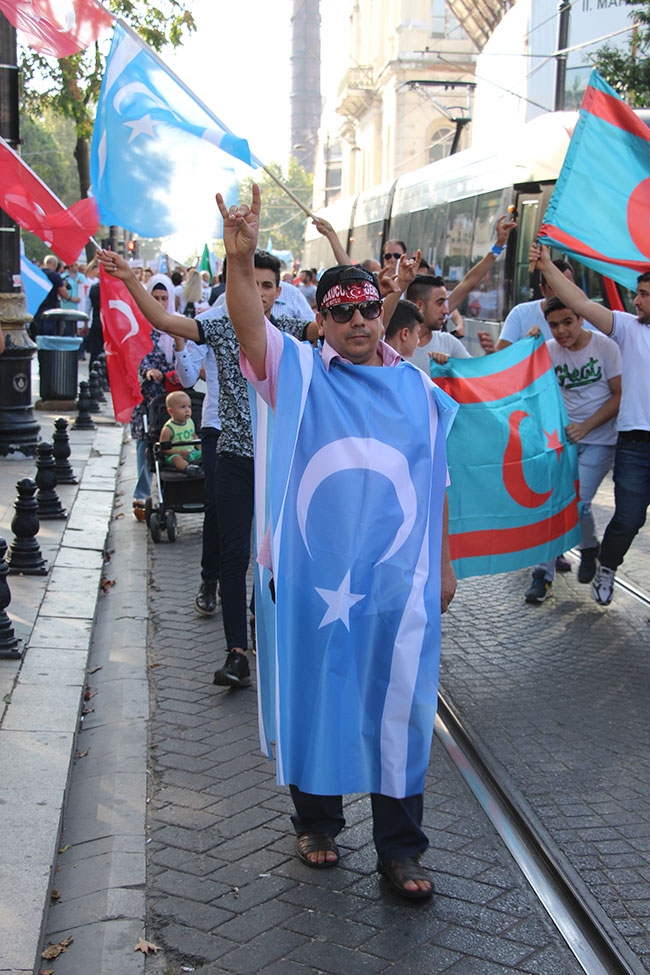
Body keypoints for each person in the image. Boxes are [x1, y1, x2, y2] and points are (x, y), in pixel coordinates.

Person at [215, 183, 457, 900]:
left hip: (394, 583)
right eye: (340, 311)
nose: (356, 319)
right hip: (313, 577)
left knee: (399, 705)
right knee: (320, 694)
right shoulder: (296, 374)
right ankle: (317, 821)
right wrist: (238, 259)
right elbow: (249, 329)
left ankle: (400, 849)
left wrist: (443, 561)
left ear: (382, 313)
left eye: (366, 308)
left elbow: (437, 481)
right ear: (318, 319)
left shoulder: (421, 391)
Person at [97, 246, 315, 687]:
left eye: (267, 285)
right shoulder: (218, 325)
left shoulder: (289, 329)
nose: (259, 292)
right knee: (234, 555)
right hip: (234, 457)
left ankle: (268, 633)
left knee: (280, 558)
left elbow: (344, 329)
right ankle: (236, 653)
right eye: (250, 283)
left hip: (282, 463)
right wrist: (127, 277)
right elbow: (163, 321)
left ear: (278, 292)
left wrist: (394, 291)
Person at [531, 243, 650, 606]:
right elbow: (580, 302)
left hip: (603, 440)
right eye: (638, 294)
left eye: (644, 295)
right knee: (628, 518)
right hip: (633, 443)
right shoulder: (628, 329)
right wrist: (548, 268)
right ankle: (607, 565)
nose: (636, 301)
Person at [523, 296, 621, 603]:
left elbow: (619, 396)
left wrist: (587, 426)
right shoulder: (549, 351)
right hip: (561, 442)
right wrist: (528, 349)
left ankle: (579, 553)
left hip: (599, 439)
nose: (561, 331)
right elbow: (524, 383)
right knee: (555, 503)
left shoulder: (606, 347)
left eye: (567, 322)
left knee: (577, 504)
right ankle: (548, 571)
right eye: (554, 325)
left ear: (582, 319)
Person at [173, 338, 222, 616]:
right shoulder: (215, 316)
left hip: (262, 425)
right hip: (217, 427)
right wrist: (180, 343)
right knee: (216, 505)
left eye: (267, 288)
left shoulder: (287, 307)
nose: (260, 292)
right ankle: (209, 579)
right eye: (257, 288)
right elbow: (188, 377)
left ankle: (254, 597)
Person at [130, 275, 177, 521]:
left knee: (171, 444)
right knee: (143, 445)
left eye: (163, 298)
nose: (159, 303)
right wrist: (147, 371)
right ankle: (141, 494)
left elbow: (184, 359)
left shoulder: (175, 325)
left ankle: (171, 492)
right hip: (146, 397)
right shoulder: (141, 327)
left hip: (169, 398)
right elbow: (134, 356)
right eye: (154, 298)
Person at [159, 390, 202, 475]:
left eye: (189, 407)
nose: (187, 410)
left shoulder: (190, 422)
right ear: (171, 411)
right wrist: (179, 452)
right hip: (176, 455)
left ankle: (200, 465)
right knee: (176, 459)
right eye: (183, 407)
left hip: (192, 453)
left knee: (206, 451)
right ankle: (188, 468)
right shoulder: (168, 429)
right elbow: (163, 449)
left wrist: (200, 448)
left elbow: (194, 436)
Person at [30, 255, 69, 338]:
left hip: (36, 310)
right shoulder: (55, 276)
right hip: (50, 311)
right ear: (54, 264)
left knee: (37, 337)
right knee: (49, 338)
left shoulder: (36, 274)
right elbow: (64, 295)